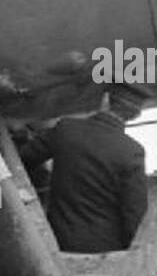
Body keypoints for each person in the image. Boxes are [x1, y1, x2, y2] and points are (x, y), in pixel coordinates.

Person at [19, 85, 148, 254]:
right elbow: (135, 214)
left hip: (60, 244)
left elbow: (25, 158)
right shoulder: (132, 152)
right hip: (106, 249)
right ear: (135, 115)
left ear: (105, 100)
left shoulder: (67, 129)